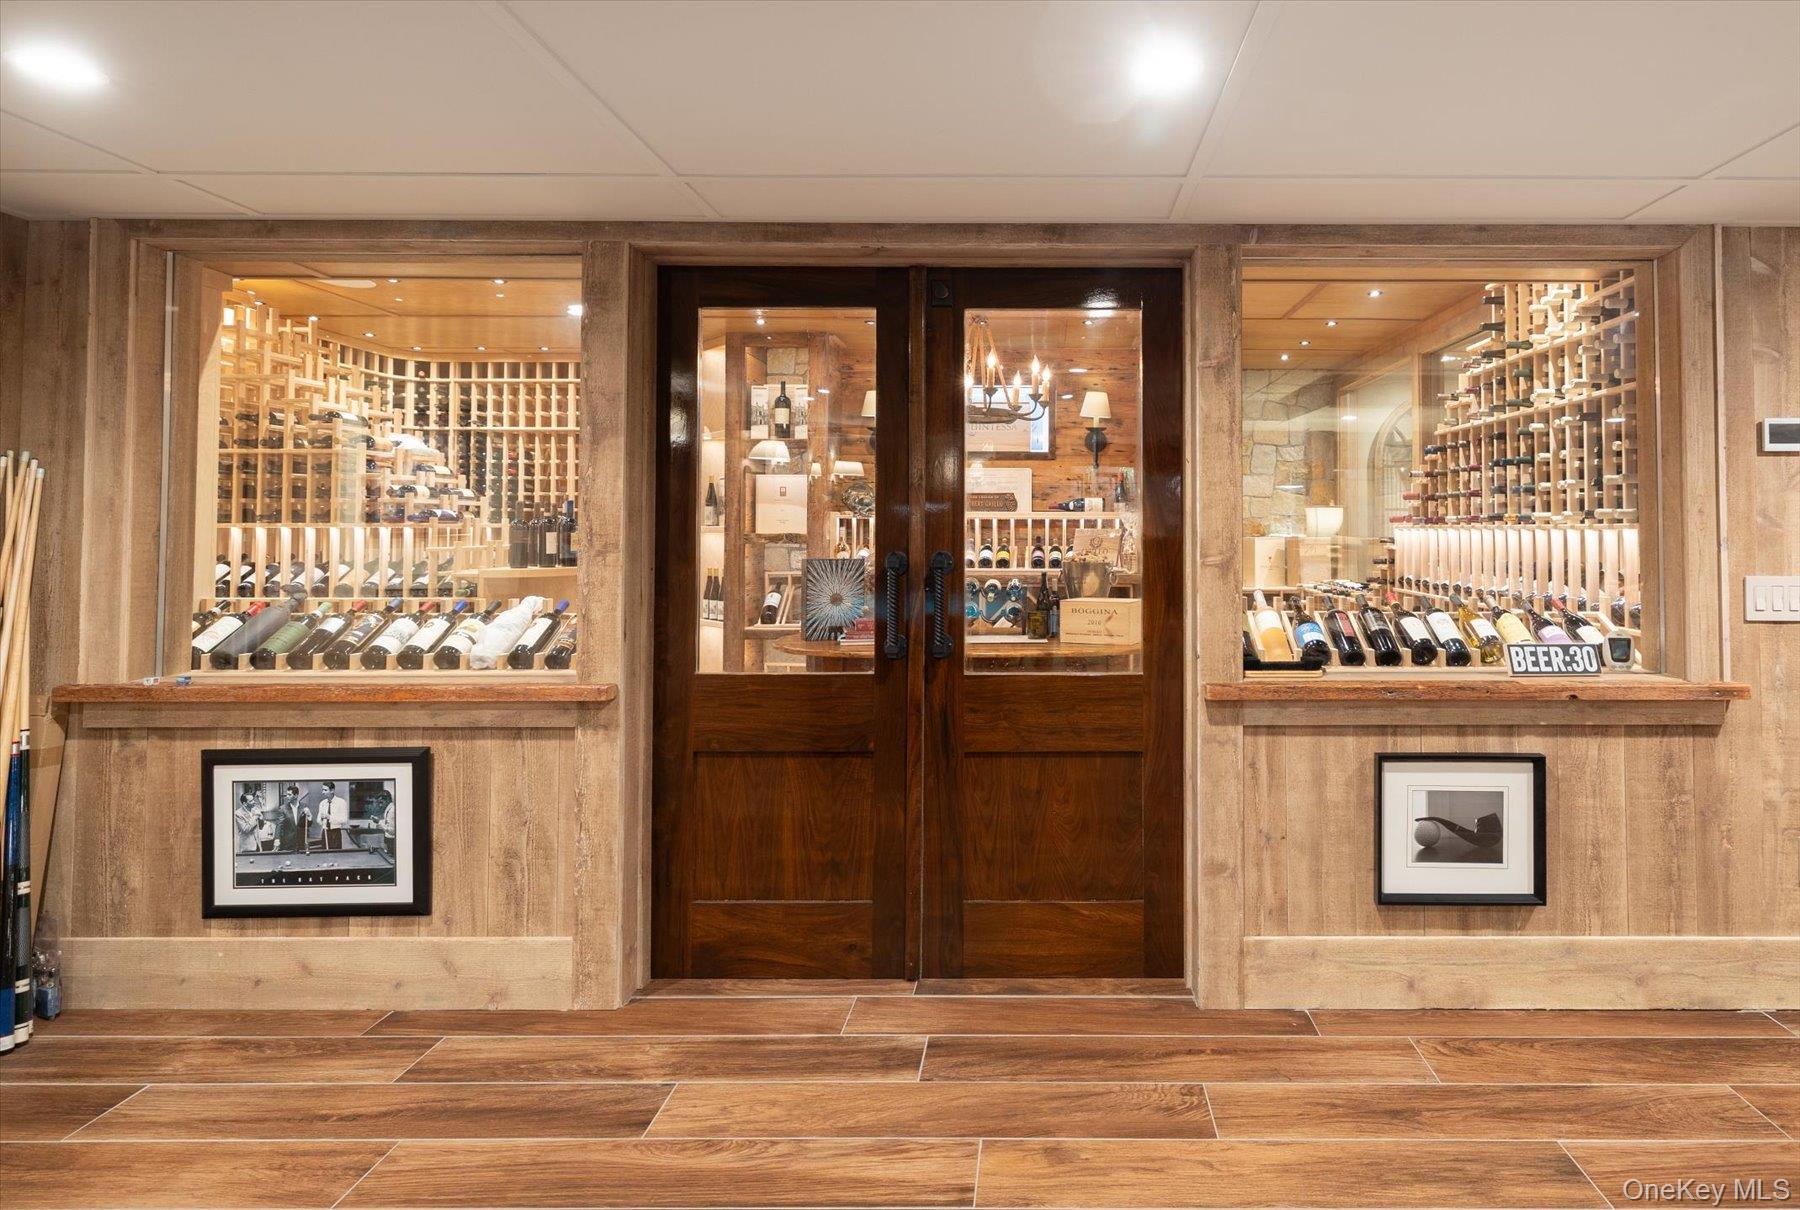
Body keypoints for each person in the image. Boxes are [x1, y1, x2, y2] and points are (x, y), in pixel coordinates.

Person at [315, 781, 350, 851]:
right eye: (322, 790)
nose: (323, 792)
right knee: (324, 855)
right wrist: (320, 819)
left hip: (335, 833)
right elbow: (318, 820)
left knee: (336, 855)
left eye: (325, 790)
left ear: (332, 790)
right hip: (325, 833)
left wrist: (329, 817)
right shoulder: (322, 803)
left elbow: (344, 820)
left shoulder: (341, 802)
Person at [274, 783, 308, 853]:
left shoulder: (304, 806)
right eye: (287, 794)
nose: (287, 796)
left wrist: (309, 816)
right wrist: (277, 839)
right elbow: (279, 825)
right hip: (288, 843)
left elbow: (308, 824)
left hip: (301, 843)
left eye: (289, 795)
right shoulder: (283, 808)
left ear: (296, 795)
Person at [234, 786, 265, 854]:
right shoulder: (238, 814)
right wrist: (256, 816)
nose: (254, 802)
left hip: (257, 846)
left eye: (253, 799)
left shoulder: (255, 810)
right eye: (251, 801)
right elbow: (246, 829)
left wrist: (261, 819)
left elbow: (261, 827)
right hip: (246, 848)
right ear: (245, 803)